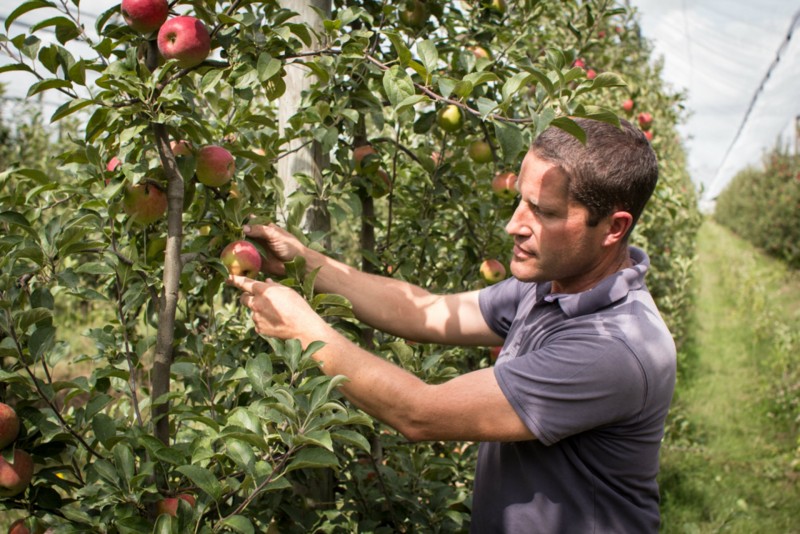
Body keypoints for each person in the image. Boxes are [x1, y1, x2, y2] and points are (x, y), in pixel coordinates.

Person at [228, 117, 676, 533]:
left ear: (614, 228)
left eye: (544, 212)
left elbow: (419, 413)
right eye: (520, 198)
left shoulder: (612, 348)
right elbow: (425, 310)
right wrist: (305, 262)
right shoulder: (554, 285)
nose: (513, 224)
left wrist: (304, 330)